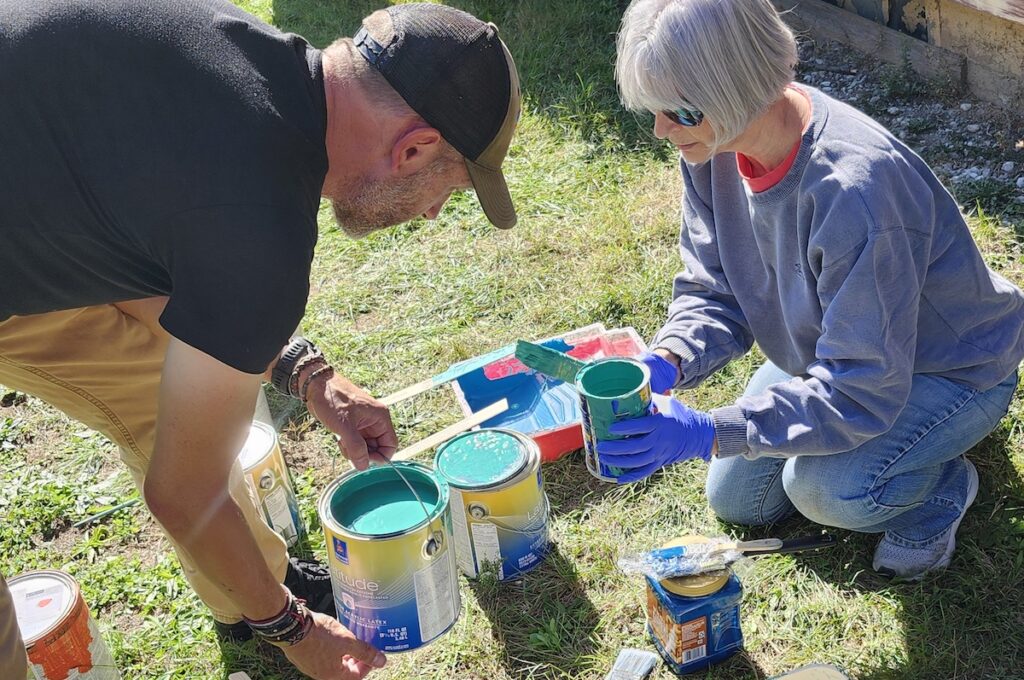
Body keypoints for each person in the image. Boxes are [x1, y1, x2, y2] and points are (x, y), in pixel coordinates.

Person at [0, 1, 520, 678]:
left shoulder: (230, 40)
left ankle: (239, 587)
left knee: (170, 398)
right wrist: (295, 632)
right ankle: (255, 600)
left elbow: (145, 252)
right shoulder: (261, 227)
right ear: (415, 147)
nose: (432, 210)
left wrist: (309, 375)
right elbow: (185, 492)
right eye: (448, 186)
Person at [601, 0, 1024, 581]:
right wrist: (670, 359)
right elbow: (714, 284)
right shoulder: (712, 145)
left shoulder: (853, 193)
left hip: (953, 368)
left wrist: (711, 430)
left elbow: (862, 391)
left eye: (676, 112)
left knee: (826, 491)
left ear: (736, 87)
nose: (660, 130)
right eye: (653, 109)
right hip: (837, 350)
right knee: (738, 500)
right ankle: (889, 459)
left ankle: (943, 490)